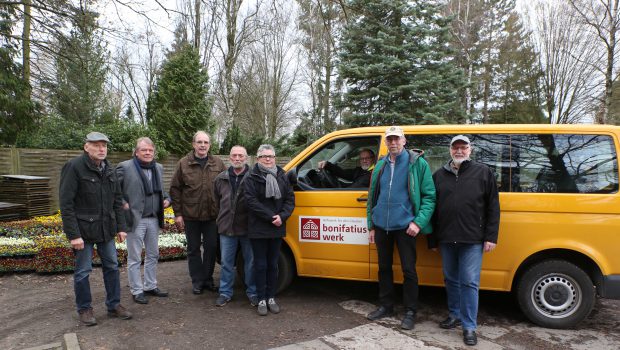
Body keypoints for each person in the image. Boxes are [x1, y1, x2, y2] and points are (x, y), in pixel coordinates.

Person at [431, 135, 500, 346]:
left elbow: (493, 207)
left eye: (463, 147)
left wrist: (490, 236)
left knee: (469, 281)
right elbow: (432, 208)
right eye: (455, 147)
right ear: (450, 150)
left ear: (470, 150)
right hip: (446, 237)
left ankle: (469, 327)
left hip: (472, 239)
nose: (459, 151)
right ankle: (455, 315)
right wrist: (432, 239)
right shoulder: (439, 175)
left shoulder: (483, 172)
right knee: (450, 278)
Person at [366, 126, 436, 330]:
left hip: (406, 227)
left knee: (409, 270)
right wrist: (371, 224)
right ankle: (386, 306)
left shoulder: (418, 163)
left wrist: (418, 222)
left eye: (397, 139)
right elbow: (372, 196)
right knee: (384, 268)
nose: (393, 143)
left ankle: (410, 311)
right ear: (386, 143)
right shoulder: (380, 165)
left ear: (404, 141)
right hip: (381, 226)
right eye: (390, 140)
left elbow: (430, 197)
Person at [59, 131, 132, 326]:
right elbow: (66, 204)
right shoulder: (74, 167)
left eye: (104, 145)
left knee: (112, 267)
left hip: (106, 230)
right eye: (97, 145)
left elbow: (117, 201)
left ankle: (114, 304)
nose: (102, 149)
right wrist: (74, 235)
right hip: (83, 232)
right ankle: (84, 309)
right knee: (83, 271)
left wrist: (121, 227)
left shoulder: (109, 169)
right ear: (86, 147)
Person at [169, 131, 226, 294]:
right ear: (193, 144)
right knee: (193, 249)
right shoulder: (183, 163)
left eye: (205, 142)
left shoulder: (218, 164)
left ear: (209, 145)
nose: (202, 145)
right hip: (190, 215)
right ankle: (197, 281)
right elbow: (175, 189)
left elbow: (226, 186)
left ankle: (207, 279)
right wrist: (178, 214)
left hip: (212, 215)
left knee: (211, 247)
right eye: (199, 142)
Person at [116, 137, 171, 305]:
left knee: (153, 254)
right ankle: (137, 290)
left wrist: (167, 199)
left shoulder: (158, 168)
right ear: (136, 152)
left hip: (154, 218)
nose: (148, 153)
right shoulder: (125, 167)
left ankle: (150, 285)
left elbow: (161, 190)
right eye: (144, 150)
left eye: (150, 150)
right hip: (135, 219)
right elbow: (114, 191)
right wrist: (123, 203)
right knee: (134, 257)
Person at [244, 144, 295, 316]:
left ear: (275, 158)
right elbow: (251, 201)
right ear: (258, 159)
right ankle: (261, 299)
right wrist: (271, 216)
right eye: (264, 156)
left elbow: (290, 199)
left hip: (277, 227)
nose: (268, 159)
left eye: (271, 156)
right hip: (259, 228)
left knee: (273, 264)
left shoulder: (282, 176)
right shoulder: (251, 177)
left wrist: (282, 216)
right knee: (260, 265)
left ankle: (271, 296)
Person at [213, 145, 258, 307]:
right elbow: (216, 202)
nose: (237, 158)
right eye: (234, 156)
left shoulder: (254, 177)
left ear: (246, 158)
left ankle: (252, 292)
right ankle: (225, 293)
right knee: (226, 263)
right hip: (227, 228)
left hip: (248, 228)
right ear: (230, 158)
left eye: (241, 155)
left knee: (250, 262)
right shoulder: (220, 179)